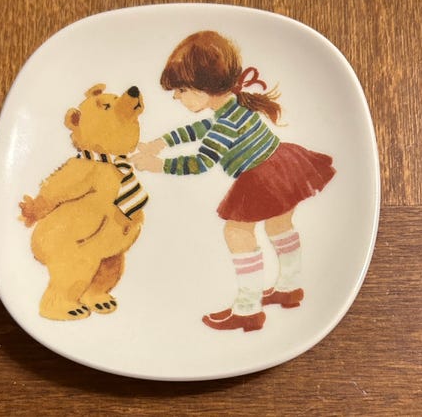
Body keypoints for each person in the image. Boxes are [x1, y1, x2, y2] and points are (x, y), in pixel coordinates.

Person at [131, 31, 335, 332]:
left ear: (204, 87)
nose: (176, 97)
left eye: (182, 90)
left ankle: (248, 309)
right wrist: (161, 142)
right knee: (279, 225)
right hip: (283, 167)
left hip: (261, 178)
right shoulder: (234, 106)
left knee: (237, 233)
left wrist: (158, 165)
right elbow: (200, 129)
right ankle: (290, 287)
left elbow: (201, 162)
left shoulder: (225, 123)